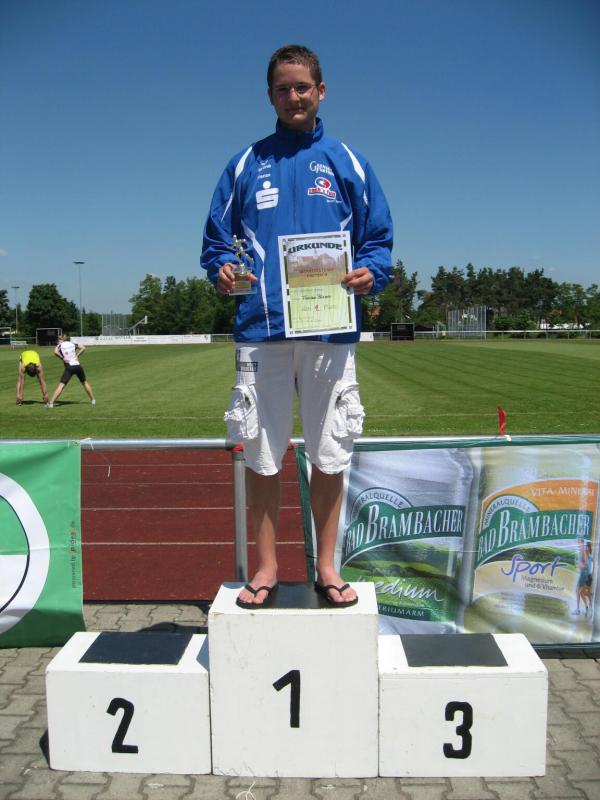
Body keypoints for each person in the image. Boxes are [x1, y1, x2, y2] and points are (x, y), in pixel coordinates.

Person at [201, 44, 393, 608]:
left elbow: (378, 238)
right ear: (270, 96)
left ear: (321, 91)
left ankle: (327, 566)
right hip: (261, 330)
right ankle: (266, 567)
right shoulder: (244, 164)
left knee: (330, 452)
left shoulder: (348, 162)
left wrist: (372, 272)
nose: (294, 96)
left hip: (329, 329)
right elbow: (216, 242)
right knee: (262, 453)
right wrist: (222, 269)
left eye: (302, 87)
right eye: (283, 88)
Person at [47, 335, 96, 407]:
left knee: (61, 385)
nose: (57, 341)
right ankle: (93, 400)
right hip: (78, 366)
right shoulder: (73, 344)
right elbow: (83, 348)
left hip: (69, 367)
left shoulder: (59, 345)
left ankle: (51, 403)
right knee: (84, 382)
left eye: (58, 340)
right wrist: (77, 355)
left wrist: (62, 358)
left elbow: (55, 352)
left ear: (61, 340)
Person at [575, 539, 593, 617]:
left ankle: (588, 608)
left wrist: (591, 573)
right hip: (585, 576)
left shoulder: (590, 557)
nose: (586, 548)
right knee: (581, 592)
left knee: (581, 592)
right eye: (586, 547)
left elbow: (588, 566)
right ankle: (587, 607)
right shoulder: (584, 555)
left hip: (587, 577)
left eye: (588, 547)